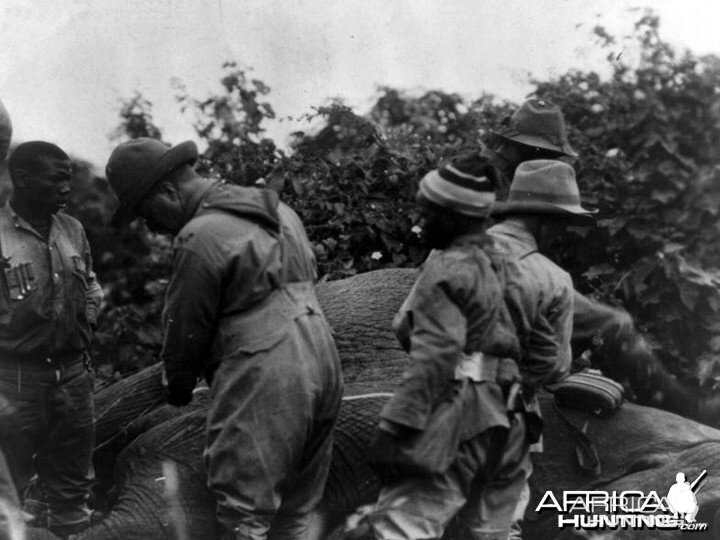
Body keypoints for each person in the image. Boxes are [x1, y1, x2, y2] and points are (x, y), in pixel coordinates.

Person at [105, 137, 343, 540]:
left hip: (264, 366)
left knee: (244, 516)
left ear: (166, 191)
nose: (153, 227)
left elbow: (186, 325)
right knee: (298, 512)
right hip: (320, 352)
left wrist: (178, 381)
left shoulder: (200, 235)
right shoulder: (277, 210)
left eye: (147, 214)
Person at [357, 153, 565, 540]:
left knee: (400, 529)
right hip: (513, 423)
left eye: (429, 212)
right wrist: (510, 387)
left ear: (455, 216)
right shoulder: (514, 266)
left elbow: (434, 356)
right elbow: (547, 354)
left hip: (459, 415)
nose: (420, 223)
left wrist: (394, 427)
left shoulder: (448, 267)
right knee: (494, 534)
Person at [484, 98, 699, 417]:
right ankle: (681, 408)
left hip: (504, 274)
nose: (546, 157)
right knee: (614, 323)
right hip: (505, 276)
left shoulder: (525, 175)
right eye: (535, 149)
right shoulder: (489, 179)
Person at [0, 141, 103, 537]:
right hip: (15, 381)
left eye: (69, 180)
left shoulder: (72, 229)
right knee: (8, 491)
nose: (66, 189)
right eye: (57, 180)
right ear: (23, 180)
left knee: (73, 493)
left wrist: (83, 327)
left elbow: (91, 287)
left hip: (73, 379)